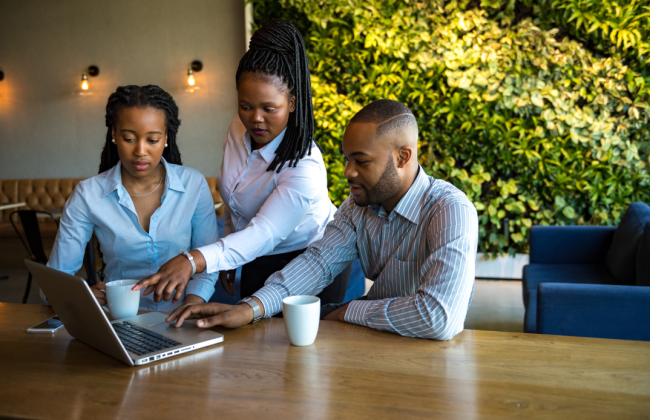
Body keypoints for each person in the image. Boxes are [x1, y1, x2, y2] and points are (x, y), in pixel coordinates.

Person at [165, 99, 478, 340]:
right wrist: (249, 309)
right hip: (372, 343)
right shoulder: (357, 208)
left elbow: (439, 317)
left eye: (361, 161)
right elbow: (316, 264)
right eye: (346, 159)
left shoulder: (450, 211)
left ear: (403, 157)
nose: (347, 172)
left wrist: (347, 310)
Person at [133, 21, 352, 306]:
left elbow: (265, 232)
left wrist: (195, 259)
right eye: (246, 106)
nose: (255, 118)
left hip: (312, 258)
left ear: (294, 103)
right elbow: (234, 201)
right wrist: (226, 254)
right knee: (256, 345)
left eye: (269, 109)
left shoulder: (304, 166)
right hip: (255, 252)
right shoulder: (238, 129)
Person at [45, 85, 218, 311]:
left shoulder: (193, 184)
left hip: (181, 316)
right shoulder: (88, 194)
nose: (140, 151)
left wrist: (190, 309)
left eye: (153, 140)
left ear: (166, 138)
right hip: (117, 319)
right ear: (114, 135)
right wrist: (84, 295)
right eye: (129, 138)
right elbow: (54, 280)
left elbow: (207, 262)